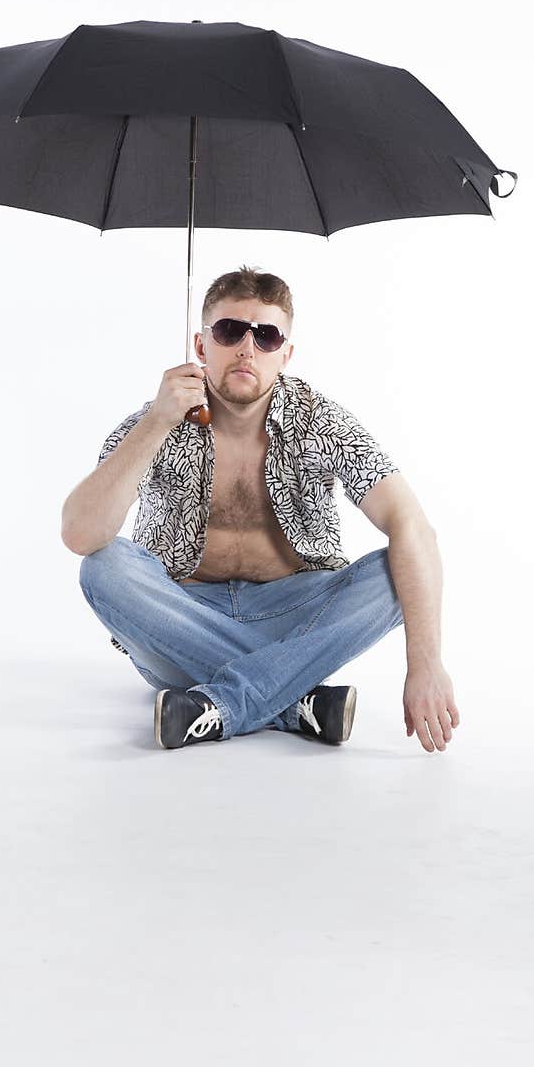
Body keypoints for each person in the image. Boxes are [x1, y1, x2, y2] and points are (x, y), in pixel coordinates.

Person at [62, 265, 459, 752]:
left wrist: (426, 665)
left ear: (285, 354)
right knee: (103, 567)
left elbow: (411, 524)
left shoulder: (322, 421)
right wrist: (157, 422)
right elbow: (80, 534)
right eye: (230, 331)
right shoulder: (155, 420)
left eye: (266, 336)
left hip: (294, 619)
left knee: (400, 566)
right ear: (202, 345)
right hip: (180, 620)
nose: (247, 348)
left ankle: (219, 703)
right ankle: (292, 700)